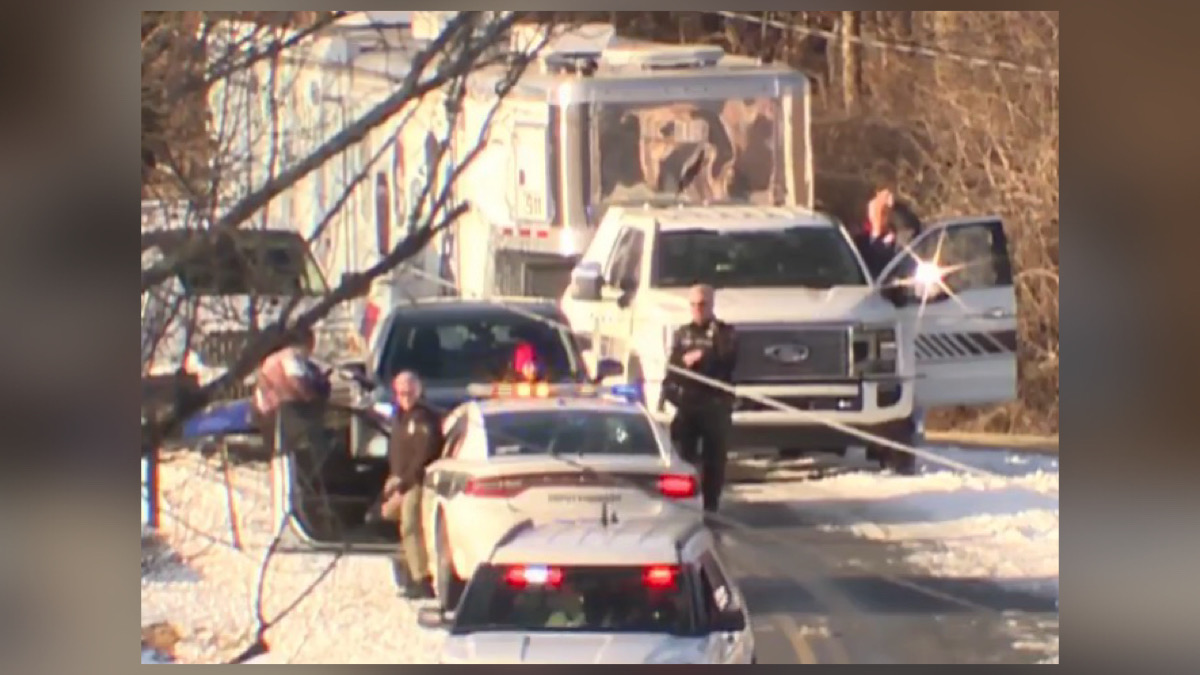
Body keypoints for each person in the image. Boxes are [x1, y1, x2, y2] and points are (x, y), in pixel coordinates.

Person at [662, 284, 738, 516]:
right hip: (687, 405)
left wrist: (702, 357)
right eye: (693, 305)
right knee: (683, 454)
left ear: (711, 305)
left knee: (714, 459)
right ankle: (684, 504)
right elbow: (673, 366)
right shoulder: (683, 333)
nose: (697, 309)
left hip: (714, 404)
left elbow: (727, 360)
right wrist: (682, 365)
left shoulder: (724, 332)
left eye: (702, 304)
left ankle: (711, 506)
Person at [385, 370, 444, 599]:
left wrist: (404, 481)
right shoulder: (399, 417)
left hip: (419, 481)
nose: (405, 397)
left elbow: (425, 454)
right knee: (396, 523)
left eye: (409, 392)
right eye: (400, 393)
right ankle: (409, 569)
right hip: (401, 479)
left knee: (411, 525)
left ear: (418, 391)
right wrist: (394, 477)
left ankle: (422, 578)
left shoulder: (423, 418)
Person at [251, 326, 331, 458]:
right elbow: (296, 380)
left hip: (271, 416)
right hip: (287, 412)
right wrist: (312, 398)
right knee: (315, 448)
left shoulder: (270, 360)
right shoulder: (291, 355)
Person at [851, 188, 925, 278]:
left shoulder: (904, 238)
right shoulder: (859, 243)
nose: (878, 216)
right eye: (875, 211)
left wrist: (895, 207)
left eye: (883, 212)